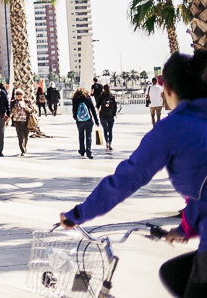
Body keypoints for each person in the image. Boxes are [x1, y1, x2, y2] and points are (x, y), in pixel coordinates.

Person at [59, 51, 207, 298]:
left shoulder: (173, 128)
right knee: (175, 274)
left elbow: (127, 179)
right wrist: (186, 228)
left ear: (167, 89)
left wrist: (78, 214)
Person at [72, 87, 100, 159]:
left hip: (79, 121)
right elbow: (93, 110)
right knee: (88, 136)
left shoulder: (75, 99)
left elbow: (74, 110)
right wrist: (96, 121)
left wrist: (75, 118)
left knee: (81, 135)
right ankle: (88, 151)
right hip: (88, 120)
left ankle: (82, 151)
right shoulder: (88, 98)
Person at [10, 88, 35, 156]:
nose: (19, 95)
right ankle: (22, 150)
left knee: (26, 136)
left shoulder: (26, 102)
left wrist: (27, 109)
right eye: (17, 94)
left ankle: (24, 146)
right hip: (17, 121)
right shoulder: (13, 102)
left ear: (23, 95)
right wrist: (15, 109)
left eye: (20, 94)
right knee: (20, 136)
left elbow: (32, 110)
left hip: (26, 121)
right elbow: (10, 112)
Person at [99, 86, 118, 152]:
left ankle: (106, 142)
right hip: (110, 116)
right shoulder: (111, 97)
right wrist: (114, 113)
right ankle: (110, 143)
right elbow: (115, 106)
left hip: (103, 116)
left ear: (103, 89)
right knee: (110, 130)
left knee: (105, 129)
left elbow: (98, 105)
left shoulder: (101, 97)